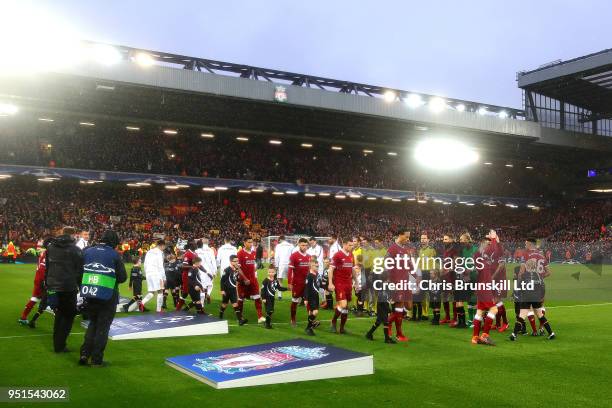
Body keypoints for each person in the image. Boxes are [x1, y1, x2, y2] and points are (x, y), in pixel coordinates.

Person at [79, 230, 126, 366]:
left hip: (90, 293)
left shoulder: (87, 251)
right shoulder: (114, 254)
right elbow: (122, 277)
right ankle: (96, 359)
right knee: (102, 328)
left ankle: (84, 354)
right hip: (107, 295)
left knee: (92, 324)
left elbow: (78, 271)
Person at [45, 226, 84, 353]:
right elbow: (80, 271)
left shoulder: (50, 247)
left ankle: (58, 344)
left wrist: (48, 285)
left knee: (59, 315)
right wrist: (81, 287)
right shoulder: (75, 250)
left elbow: (48, 267)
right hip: (68, 288)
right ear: (73, 235)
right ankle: (60, 345)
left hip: (53, 287)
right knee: (68, 316)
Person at [510, 238, 555, 341]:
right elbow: (548, 272)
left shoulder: (525, 255)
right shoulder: (541, 256)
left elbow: (521, 272)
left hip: (528, 287)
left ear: (530, 244)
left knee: (523, 312)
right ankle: (551, 333)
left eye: (526, 243)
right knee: (539, 312)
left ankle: (514, 334)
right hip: (539, 287)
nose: (525, 245)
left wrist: (520, 284)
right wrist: (538, 277)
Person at [471, 230, 502, 346]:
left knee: (480, 312)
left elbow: (498, 252)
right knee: (494, 309)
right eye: (486, 242)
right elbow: (493, 250)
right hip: (483, 287)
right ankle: (485, 335)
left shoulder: (481, 254)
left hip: (483, 286)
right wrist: (493, 238)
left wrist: (496, 240)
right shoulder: (480, 253)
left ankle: (475, 337)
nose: (489, 245)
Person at [385, 229, 413, 342]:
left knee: (409, 306)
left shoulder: (405, 250)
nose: (408, 239)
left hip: (406, 281)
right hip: (397, 282)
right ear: (400, 235)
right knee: (399, 308)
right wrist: (390, 281)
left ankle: (388, 323)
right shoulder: (392, 249)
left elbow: (410, 265)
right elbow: (387, 264)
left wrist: (417, 277)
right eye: (406, 237)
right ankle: (399, 333)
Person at [328, 239, 359, 334]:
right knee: (343, 304)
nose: (352, 247)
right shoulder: (337, 255)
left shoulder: (351, 255)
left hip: (348, 283)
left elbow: (353, 270)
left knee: (346, 308)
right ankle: (333, 322)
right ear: (344, 244)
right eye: (350, 245)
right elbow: (331, 269)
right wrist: (330, 283)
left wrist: (357, 282)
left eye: (352, 245)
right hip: (339, 283)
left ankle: (342, 328)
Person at [18, 238, 51, 325]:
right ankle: (27, 318)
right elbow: (44, 268)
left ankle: (24, 317)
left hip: (38, 278)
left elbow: (37, 252)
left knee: (37, 297)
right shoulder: (49, 253)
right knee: (44, 298)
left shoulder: (43, 251)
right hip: (43, 279)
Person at [237, 238, 265, 323]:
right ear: (244, 243)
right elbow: (238, 268)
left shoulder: (253, 253)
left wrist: (256, 268)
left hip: (253, 279)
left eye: (251, 242)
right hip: (243, 281)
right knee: (241, 299)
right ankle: (240, 316)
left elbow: (253, 266)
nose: (251, 244)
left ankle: (260, 317)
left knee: (257, 297)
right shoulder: (240, 253)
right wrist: (245, 278)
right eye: (249, 242)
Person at [219, 255, 248, 325]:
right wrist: (222, 290)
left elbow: (236, 278)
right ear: (231, 262)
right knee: (224, 304)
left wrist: (242, 281)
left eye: (237, 261)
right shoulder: (227, 270)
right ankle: (220, 316)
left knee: (235, 304)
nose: (236, 262)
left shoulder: (237, 269)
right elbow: (222, 281)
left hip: (233, 289)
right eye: (234, 261)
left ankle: (240, 320)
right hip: (226, 290)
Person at [288, 238, 310, 326]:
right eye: (302, 245)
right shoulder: (294, 256)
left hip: (307, 283)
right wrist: (290, 282)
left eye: (305, 245)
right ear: (299, 245)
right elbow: (290, 270)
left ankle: (311, 321)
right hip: (297, 283)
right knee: (295, 301)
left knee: (308, 301)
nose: (304, 247)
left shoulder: (309, 256)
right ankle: (293, 319)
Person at [260, 264, 287, 329]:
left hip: (272, 298)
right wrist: (263, 298)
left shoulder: (275, 280)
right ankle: (267, 324)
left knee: (271, 311)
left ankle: (267, 322)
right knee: (269, 310)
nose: (271, 273)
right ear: (267, 272)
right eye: (269, 272)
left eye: (272, 272)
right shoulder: (265, 281)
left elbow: (279, 288)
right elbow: (263, 290)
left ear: (275, 272)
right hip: (267, 298)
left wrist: (287, 289)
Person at [142, 240, 166, 313]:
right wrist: (164, 277)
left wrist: (146, 273)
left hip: (149, 273)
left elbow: (145, 263)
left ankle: (142, 303)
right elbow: (160, 265)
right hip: (156, 273)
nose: (164, 248)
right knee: (160, 291)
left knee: (151, 291)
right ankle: (159, 310)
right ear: (162, 245)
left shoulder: (149, 251)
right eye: (164, 246)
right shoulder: (159, 253)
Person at [176, 240, 197, 310]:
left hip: (193, 276)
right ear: (191, 246)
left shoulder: (195, 253)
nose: (196, 245)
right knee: (185, 293)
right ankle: (178, 309)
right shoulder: (187, 254)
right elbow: (183, 266)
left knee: (196, 292)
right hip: (187, 276)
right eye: (195, 244)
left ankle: (186, 309)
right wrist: (192, 266)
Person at [303, 258, 322, 335]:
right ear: (311, 266)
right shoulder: (309, 276)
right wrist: (306, 298)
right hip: (311, 297)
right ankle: (308, 327)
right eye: (315, 266)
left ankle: (310, 327)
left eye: (318, 266)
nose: (317, 268)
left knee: (311, 313)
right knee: (315, 312)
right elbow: (307, 288)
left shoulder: (316, 274)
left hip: (316, 296)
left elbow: (319, 284)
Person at [274, 235, 294, 300]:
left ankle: (280, 295)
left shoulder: (278, 246)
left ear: (280, 240)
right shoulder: (291, 245)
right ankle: (293, 295)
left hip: (281, 264)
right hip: (290, 264)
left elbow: (276, 256)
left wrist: (276, 266)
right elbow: (293, 255)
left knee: (280, 279)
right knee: (292, 280)